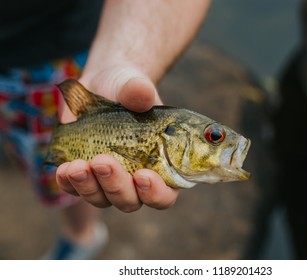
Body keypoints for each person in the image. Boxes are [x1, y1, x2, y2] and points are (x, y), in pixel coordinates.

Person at [0, 0, 211, 259]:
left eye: (214, 138)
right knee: (20, 140)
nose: (215, 141)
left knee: (59, 171)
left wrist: (122, 58)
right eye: (214, 137)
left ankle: (82, 235)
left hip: (48, 51)